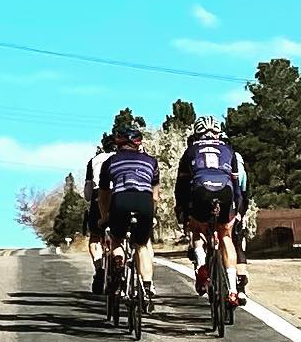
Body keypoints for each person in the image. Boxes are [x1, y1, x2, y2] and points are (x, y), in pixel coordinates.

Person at [175, 115, 240, 306]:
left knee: (196, 229)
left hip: (201, 189)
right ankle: (234, 291)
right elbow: (236, 186)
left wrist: (183, 210)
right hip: (226, 191)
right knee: (226, 236)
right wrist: (235, 212)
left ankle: (202, 266)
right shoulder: (229, 151)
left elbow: (182, 186)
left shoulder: (191, 150)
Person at [98, 123, 159, 311]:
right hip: (144, 202)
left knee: (116, 238)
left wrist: (104, 216)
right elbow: (155, 194)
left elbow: (104, 193)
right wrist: (152, 214)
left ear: (118, 143)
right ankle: (147, 288)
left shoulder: (110, 162)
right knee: (141, 244)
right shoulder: (151, 161)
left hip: (120, 200)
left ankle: (118, 261)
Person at [82, 133, 115, 295]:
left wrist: (90, 199)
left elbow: (88, 192)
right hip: (122, 195)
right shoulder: (128, 157)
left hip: (98, 197)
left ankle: (99, 267)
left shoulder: (95, 160)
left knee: (95, 236)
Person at [228, 136, 250, 305]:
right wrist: (241, 213)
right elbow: (244, 187)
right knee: (236, 241)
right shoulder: (236, 157)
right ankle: (241, 287)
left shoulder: (199, 156)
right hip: (237, 201)